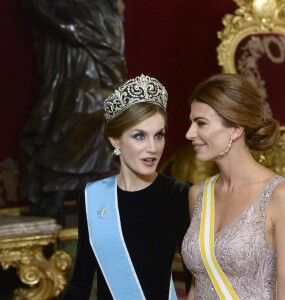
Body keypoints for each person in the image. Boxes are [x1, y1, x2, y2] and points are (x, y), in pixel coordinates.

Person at [63, 74, 191, 299]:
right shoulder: (92, 196)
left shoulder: (179, 194)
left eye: (158, 135)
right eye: (139, 136)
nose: (152, 148)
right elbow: (80, 284)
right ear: (115, 139)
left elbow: (194, 283)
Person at [181, 73, 285, 299]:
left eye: (201, 123)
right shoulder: (198, 194)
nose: (189, 133)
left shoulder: (280, 195)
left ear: (236, 129)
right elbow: (198, 284)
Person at [20, 0, 126, 222]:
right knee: (69, 119)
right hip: (71, 64)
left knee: (98, 118)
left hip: (97, 52)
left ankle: (88, 192)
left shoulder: (102, 10)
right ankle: (55, 191)